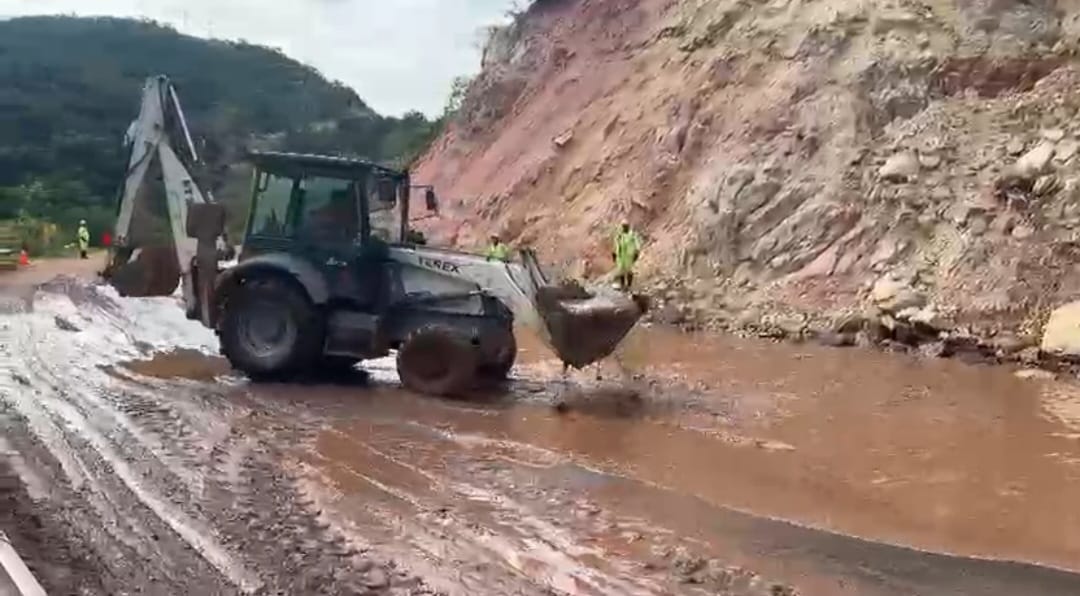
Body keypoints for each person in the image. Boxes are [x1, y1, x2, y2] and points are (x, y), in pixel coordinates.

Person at [612, 221, 642, 291]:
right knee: (621, 271)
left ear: (628, 226)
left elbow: (637, 244)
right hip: (620, 256)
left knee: (629, 270)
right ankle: (622, 285)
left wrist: (636, 253)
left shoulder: (632, 235)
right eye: (623, 226)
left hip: (629, 256)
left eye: (625, 226)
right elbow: (616, 244)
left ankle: (629, 285)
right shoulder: (619, 235)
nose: (624, 227)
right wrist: (614, 253)